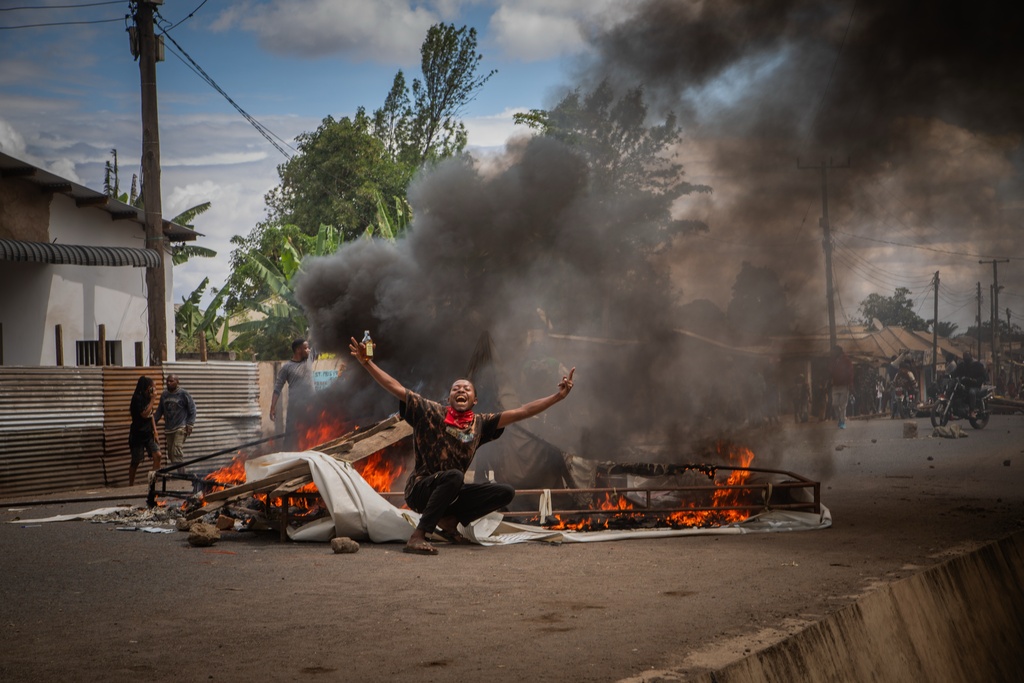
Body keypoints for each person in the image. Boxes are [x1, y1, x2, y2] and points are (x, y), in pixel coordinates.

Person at [349, 335, 575, 555]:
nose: (461, 391)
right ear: (449, 399)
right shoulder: (431, 412)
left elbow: (523, 411)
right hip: (420, 490)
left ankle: (450, 520)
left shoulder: (480, 424)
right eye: (456, 389)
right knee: (454, 476)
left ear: (474, 400)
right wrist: (367, 363)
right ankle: (419, 535)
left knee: (504, 492)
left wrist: (558, 397)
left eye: (466, 389)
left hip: (452, 492)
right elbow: (396, 387)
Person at [270, 339, 315, 449]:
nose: (308, 350)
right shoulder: (287, 367)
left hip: (312, 405)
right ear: (298, 350)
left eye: (309, 347)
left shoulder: (309, 359)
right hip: (295, 409)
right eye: (305, 348)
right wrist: (272, 407)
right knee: (292, 437)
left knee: (313, 433)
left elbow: (321, 341)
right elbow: (277, 388)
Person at [154, 373, 196, 465]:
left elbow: (192, 409)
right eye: (167, 381)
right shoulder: (164, 395)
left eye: (171, 381)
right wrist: (152, 424)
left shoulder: (183, 394)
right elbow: (159, 411)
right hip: (169, 429)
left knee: (176, 452)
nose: (168, 383)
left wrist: (190, 424)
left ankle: (182, 476)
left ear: (177, 382)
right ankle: (180, 475)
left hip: (180, 428)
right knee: (171, 455)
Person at [128, 375, 162, 486]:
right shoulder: (137, 399)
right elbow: (144, 414)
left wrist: (155, 431)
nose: (155, 390)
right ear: (148, 388)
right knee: (136, 461)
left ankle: (153, 482)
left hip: (148, 433)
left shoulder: (148, 397)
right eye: (153, 387)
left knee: (158, 455)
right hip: (138, 434)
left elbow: (151, 414)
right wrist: (153, 399)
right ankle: (131, 484)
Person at [953, 351, 988, 416]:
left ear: (970, 356)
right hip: (965, 386)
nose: (965, 358)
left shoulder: (977, 365)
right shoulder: (962, 365)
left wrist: (976, 380)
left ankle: (972, 410)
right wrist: (948, 375)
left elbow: (984, 377)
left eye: (967, 356)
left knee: (971, 392)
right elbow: (955, 373)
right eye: (964, 356)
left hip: (975, 387)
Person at [829, 345, 854, 429]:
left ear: (838, 351)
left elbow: (850, 372)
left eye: (833, 351)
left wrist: (850, 384)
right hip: (835, 386)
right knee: (834, 404)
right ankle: (839, 419)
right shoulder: (833, 361)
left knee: (843, 406)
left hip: (844, 386)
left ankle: (842, 422)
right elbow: (830, 372)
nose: (832, 353)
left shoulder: (846, 360)